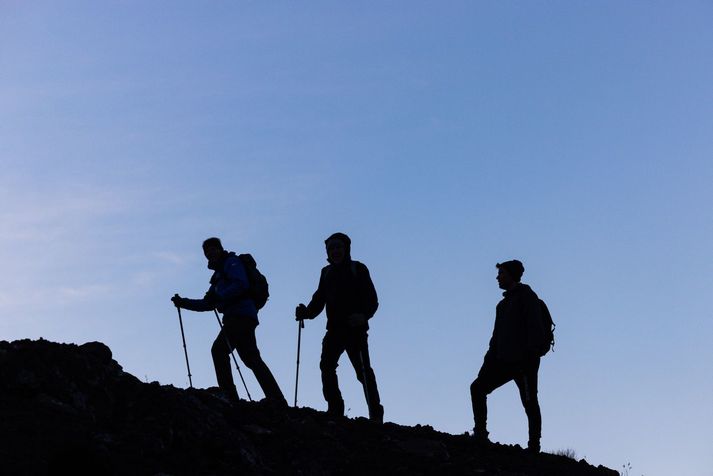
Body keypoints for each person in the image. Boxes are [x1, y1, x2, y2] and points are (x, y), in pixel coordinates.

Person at [172, 237, 286, 406]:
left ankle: (229, 396)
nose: (210, 254)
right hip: (243, 316)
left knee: (219, 350)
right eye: (207, 252)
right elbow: (208, 303)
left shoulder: (231, 263)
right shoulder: (218, 276)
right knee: (251, 358)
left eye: (212, 249)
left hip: (239, 315)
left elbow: (241, 284)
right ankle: (276, 399)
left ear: (220, 249)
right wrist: (184, 303)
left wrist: (220, 296)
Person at [295, 232, 384, 423]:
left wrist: (363, 316)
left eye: (338, 247)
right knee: (327, 366)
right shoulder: (326, 273)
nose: (335, 251)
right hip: (335, 329)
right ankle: (335, 408)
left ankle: (374, 413)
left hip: (355, 329)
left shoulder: (358, 269)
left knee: (362, 371)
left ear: (346, 249)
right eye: (331, 248)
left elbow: (372, 300)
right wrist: (307, 313)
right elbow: (319, 299)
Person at [470, 260, 546, 453]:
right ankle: (480, 433)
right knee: (477, 388)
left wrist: (529, 358)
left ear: (511, 275)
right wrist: (487, 363)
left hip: (524, 363)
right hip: (503, 361)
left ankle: (534, 445)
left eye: (501, 273)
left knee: (530, 402)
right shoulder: (502, 306)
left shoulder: (528, 297)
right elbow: (495, 338)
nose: (497, 277)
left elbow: (535, 329)